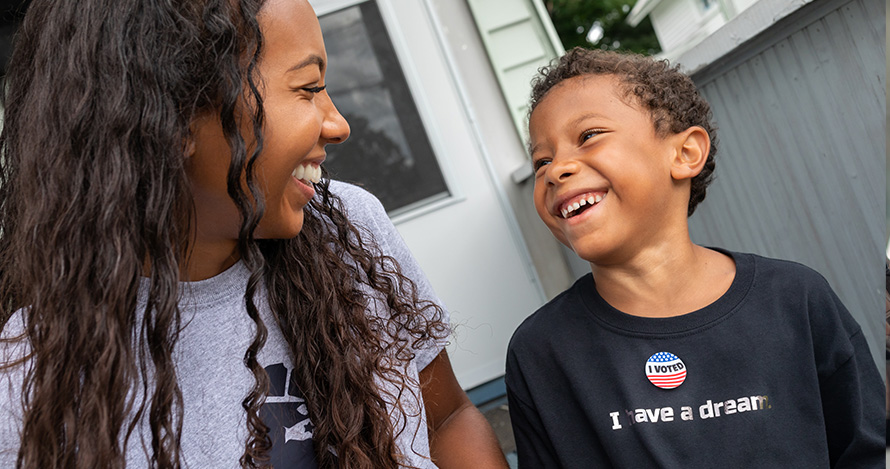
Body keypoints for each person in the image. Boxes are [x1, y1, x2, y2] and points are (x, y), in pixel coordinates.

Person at [0, 0, 508, 468]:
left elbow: (446, 417)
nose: (338, 124)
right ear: (172, 118)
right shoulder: (31, 372)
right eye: (308, 88)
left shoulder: (346, 225)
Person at [505, 47, 885, 468]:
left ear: (685, 154)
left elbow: (867, 450)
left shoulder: (797, 299)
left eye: (588, 136)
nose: (556, 169)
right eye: (542, 160)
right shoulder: (541, 352)